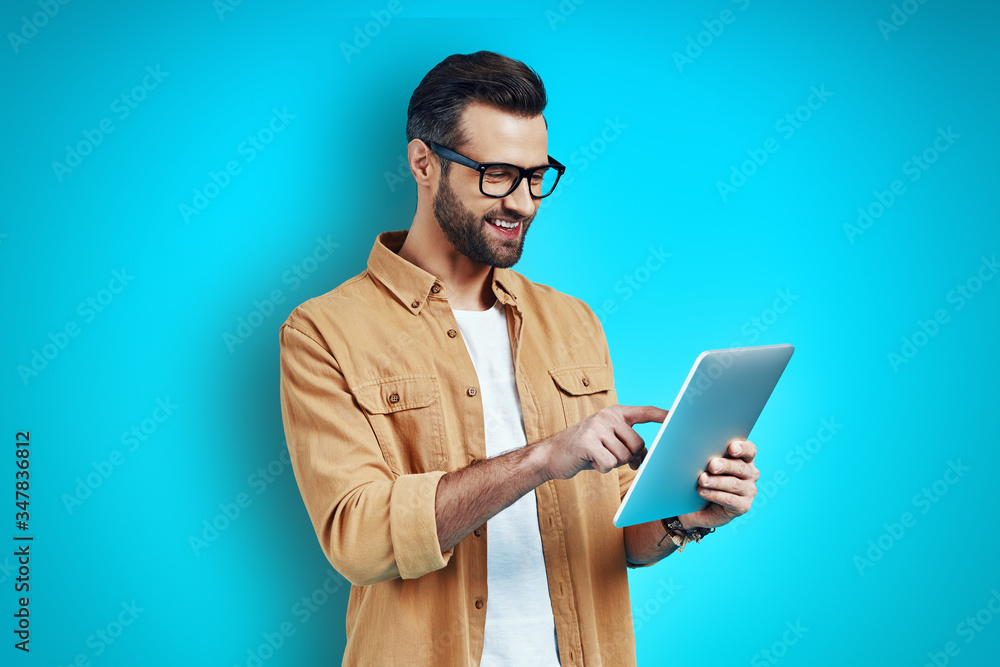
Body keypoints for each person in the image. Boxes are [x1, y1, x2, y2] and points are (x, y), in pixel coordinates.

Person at [278, 50, 760, 666]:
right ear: (423, 162)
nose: (525, 202)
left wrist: (686, 515)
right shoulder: (323, 332)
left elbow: (617, 539)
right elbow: (360, 538)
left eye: (537, 176)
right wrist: (541, 458)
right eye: (498, 174)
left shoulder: (574, 322)